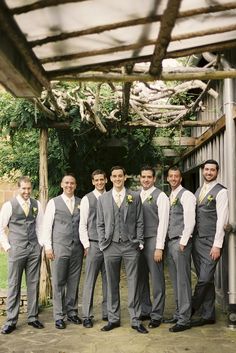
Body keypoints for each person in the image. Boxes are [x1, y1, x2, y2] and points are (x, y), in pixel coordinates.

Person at [97, 166, 148, 334]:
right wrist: (103, 242)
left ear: (125, 177)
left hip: (130, 245)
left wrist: (139, 241)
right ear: (110, 179)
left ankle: (135, 319)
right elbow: (100, 223)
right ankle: (113, 318)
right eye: (114, 176)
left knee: (134, 282)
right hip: (110, 246)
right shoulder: (103, 199)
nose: (117, 179)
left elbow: (140, 220)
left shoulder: (134, 196)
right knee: (111, 282)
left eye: (120, 176)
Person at [0, 176, 44, 334]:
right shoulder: (9, 206)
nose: (26, 191)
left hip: (33, 249)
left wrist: (40, 245)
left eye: (28, 188)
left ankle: (33, 317)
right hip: (16, 249)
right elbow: (1, 228)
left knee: (34, 283)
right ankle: (11, 320)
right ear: (18, 188)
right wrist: (7, 247)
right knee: (14, 284)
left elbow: (40, 226)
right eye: (23, 188)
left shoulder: (36, 204)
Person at [42, 174, 84, 329]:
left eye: (72, 183)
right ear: (61, 184)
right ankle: (59, 315)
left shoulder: (81, 202)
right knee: (59, 282)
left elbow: (83, 225)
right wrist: (48, 247)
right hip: (59, 247)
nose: (69, 185)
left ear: (75, 185)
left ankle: (72, 312)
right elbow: (47, 226)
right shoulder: (54, 203)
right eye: (66, 183)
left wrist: (85, 245)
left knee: (74, 281)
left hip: (77, 248)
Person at [191, 159, 229, 327]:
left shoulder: (221, 192)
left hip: (210, 242)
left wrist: (217, 245)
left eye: (212, 170)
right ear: (203, 171)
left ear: (217, 172)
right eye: (206, 169)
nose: (208, 172)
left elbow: (222, 219)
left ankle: (191, 308)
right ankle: (208, 315)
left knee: (205, 279)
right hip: (197, 241)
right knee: (205, 279)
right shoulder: (199, 190)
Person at [165, 166, 196, 332]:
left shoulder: (187, 195)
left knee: (183, 281)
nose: (173, 179)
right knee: (175, 281)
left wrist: (183, 242)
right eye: (171, 176)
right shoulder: (171, 195)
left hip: (180, 243)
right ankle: (178, 313)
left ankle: (184, 319)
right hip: (171, 243)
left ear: (180, 178)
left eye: (176, 176)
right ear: (167, 178)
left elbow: (190, 220)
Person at [139, 166, 169, 329]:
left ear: (154, 179)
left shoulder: (161, 196)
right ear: (139, 178)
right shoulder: (136, 195)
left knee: (157, 279)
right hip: (139, 243)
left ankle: (157, 314)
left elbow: (163, 222)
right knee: (141, 278)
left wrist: (159, 247)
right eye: (143, 177)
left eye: (149, 177)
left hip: (153, 241)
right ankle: (145, 309)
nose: (146, 179)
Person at [79, 169, 108, 328]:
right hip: (94, 244)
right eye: (96, 180)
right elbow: (82, 225)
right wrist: (87, 245)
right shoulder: (86, 199)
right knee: (90, 280)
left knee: (109, 280)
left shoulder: (111, 197)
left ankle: (108, 312)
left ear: (106, 180)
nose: (99, 182)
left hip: (109, 245)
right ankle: (87, 316)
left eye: (101, 180)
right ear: (93, 182)